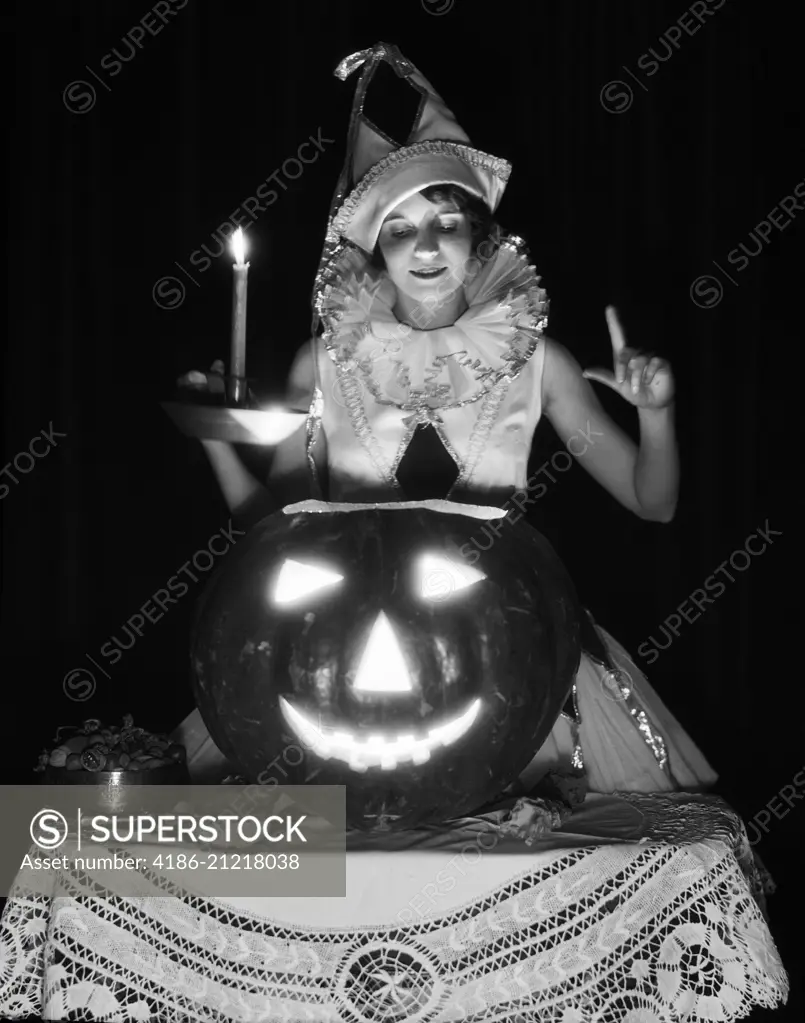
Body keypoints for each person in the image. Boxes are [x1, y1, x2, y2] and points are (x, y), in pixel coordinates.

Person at [172, 42, 717, 797]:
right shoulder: (324, 361)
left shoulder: (536, 360)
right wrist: (216, 441)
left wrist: (657, 415)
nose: (423, 246)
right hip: (337, 660)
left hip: (507, 661)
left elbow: (651, 502)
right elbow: (271, 530)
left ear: (478, 233)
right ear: (375, 248)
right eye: (399, 229)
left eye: (445, 220)